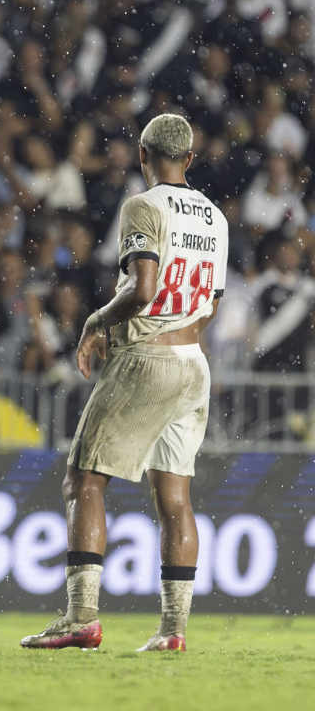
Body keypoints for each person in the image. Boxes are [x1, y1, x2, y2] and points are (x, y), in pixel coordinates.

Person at [21, 114, 228, 652]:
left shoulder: (143, 205)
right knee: (175, 499)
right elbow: (214, 302)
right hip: (193, 362)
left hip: (148, 356)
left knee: (84, 479)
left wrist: (96, 323)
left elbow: (142, 289)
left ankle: (81, 618)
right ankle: (173, 631)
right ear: (190, 159)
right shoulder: (215, 218)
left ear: (142, 155)